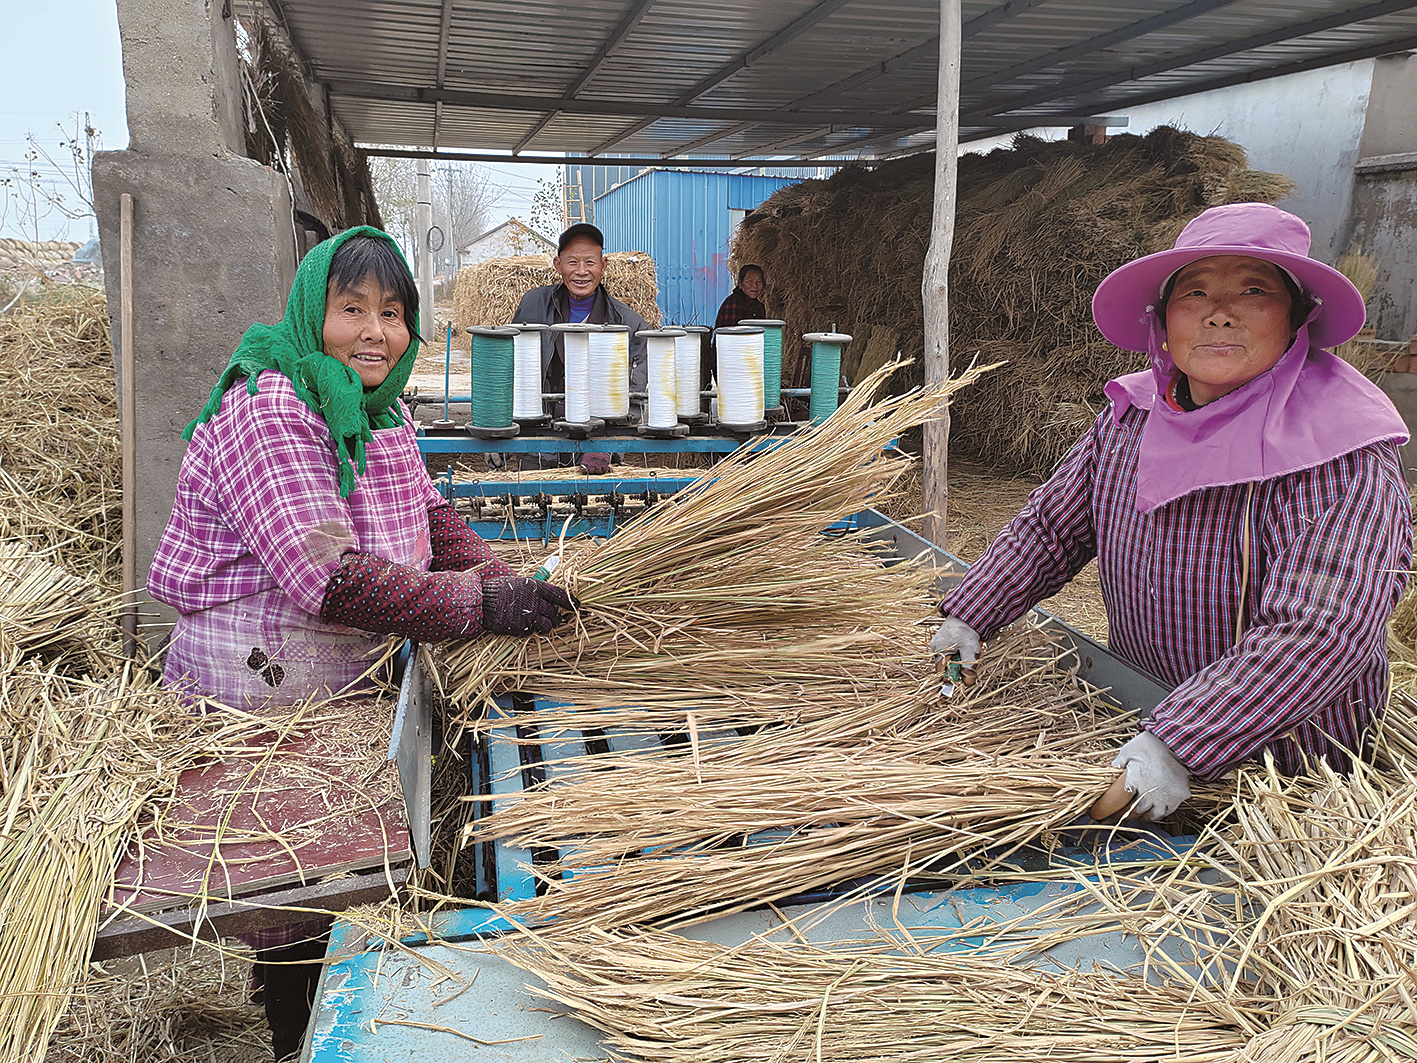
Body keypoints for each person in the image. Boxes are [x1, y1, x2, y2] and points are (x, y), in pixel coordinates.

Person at [148, 226, 575, 1059]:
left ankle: (302, 994)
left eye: (392, 312)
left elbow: (432, 517)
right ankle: (292, 1032)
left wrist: (502, 579)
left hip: (340, 676)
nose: (375, 331)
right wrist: (484, 604)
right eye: (352, 309)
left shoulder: (378, 410)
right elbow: (330, 581)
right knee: (292, 873)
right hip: (260, 686)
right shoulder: (272, 408)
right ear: (315, 312)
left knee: (334, 870)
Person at [931, 203, 1412, 821]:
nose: (1219, 311)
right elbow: (1053, 527)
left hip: (1282, 773)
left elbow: (1322, 628)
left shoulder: (1338, 449)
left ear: (1296, 319)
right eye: (1195, 292)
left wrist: (1181, 743)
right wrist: (972, 613)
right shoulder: (1133, 418)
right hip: (1141, 712)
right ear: (1163, 320)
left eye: (1254, 289)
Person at [513, 222, 650, 473]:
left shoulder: (627, 323)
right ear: (558, 265)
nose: (581, 272)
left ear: (603, 265)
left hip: (595, 450)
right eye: (572, 262)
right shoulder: (532, 306)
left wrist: (609, 445)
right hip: (538, 446)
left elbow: (635, 393)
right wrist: (499, 430)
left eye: (590, 262)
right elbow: (510, 369)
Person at [715, 263, 766, 329]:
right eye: (750, 281)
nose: (755, 286)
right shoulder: (734, 302)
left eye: (759, 281)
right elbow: (730, 334)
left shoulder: (759, 306)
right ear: (740, 283)